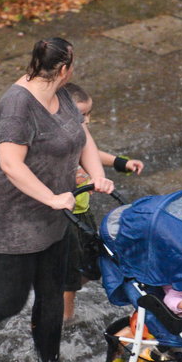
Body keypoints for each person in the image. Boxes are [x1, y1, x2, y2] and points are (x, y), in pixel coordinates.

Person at [0, 38, 114, 362]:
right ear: (64, 69)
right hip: (8, 214)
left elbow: (80, 136)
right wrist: (52, 197)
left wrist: (97, 174)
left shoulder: (61, 95)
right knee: (9, 301)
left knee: (52, 294)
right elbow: (11, 164)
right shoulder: (18, 106)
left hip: (52, 211)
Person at [61, 82, 144, 323]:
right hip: (62, 217)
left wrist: (121, 163)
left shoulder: (79, 136)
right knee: (71, 272)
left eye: (88, 114)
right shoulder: (56, 141)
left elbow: (92, 155)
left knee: (94, 265)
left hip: (82, 211)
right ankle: (66, 319)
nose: (86, 121)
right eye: (80, 116)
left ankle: (56, 283)